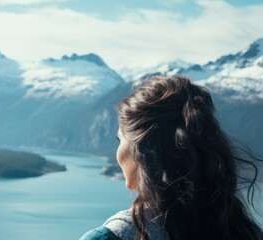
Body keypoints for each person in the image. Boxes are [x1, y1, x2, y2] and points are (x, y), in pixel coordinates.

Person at [80, 76, 263, 240]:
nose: (118, 151)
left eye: (120, 139)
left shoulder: (112, 237)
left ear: (142, 149)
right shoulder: (236, 228)